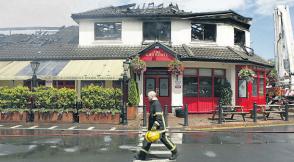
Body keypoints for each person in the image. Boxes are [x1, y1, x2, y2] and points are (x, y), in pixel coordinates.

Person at [136, 91, 178, 160]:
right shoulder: (153, 103)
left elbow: (158, 117)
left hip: (159, 127)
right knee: (147, 139)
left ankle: (175, 151)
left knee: (164, 139)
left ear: (152, 97)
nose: (148, 98)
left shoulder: (156, 104)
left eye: (148, 97)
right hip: (153, 127)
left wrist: (154, 127)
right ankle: (142, 155)